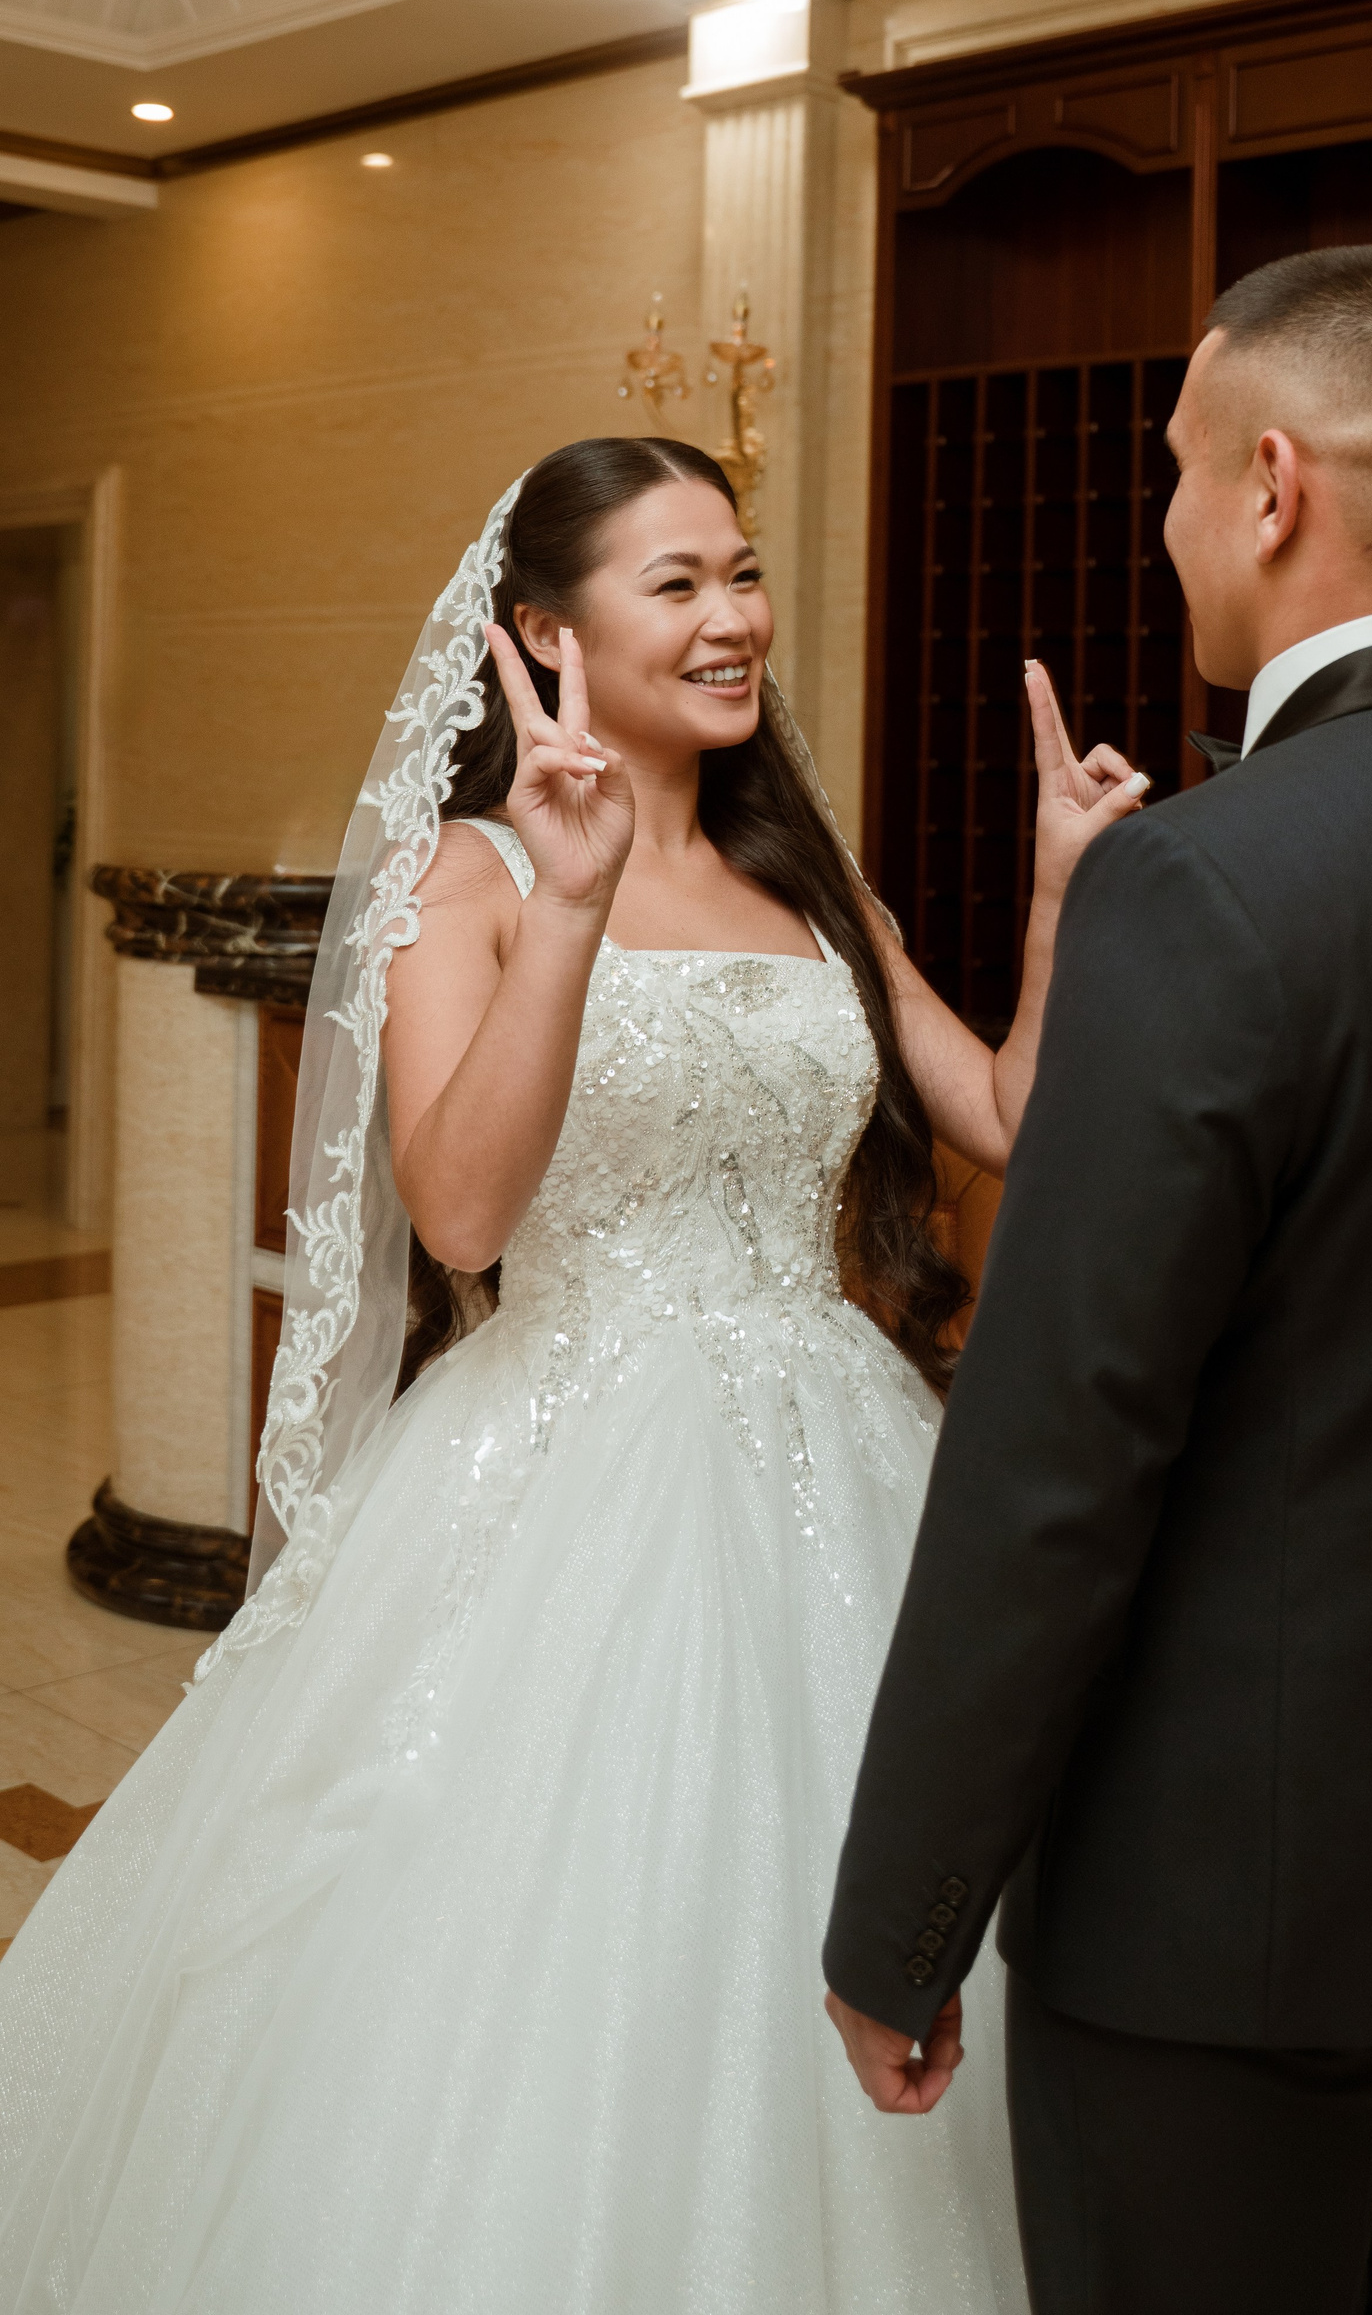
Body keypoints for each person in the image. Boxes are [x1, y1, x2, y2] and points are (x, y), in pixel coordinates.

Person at [0, 436, 1146, 2313]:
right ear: (545, 632)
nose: (733, 617)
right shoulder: (468, 878)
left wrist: (1057, 902)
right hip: (569, 1466)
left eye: (741, 572)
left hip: (838, 1453)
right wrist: (576, 905)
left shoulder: (809, 875)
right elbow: (461, 1213)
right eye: (674, 582)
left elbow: (1011, 1114)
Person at [822, 246, 1372, 2312]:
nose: (1161, 521)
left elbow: (1058, 1457)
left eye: (1174, 468)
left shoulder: (1204, 882)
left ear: (1271, 484)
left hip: (1217, 1899)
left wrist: (905, 1916)